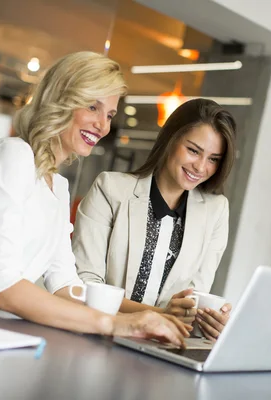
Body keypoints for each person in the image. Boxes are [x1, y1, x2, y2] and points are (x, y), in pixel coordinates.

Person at [0, 51, 187, 346]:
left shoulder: (58, 188)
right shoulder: (12, 155)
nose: (103, 126)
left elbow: (66, 285)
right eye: (93, 107)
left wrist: (157, 314)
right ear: (62, 100)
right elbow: (4, 289)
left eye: (110, 115)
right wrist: (117, 324)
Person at [72, 98, 237, 341]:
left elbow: (194, 298)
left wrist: (210, 322)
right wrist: (159, 315)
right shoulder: (111, 189)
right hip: (97, 335)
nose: (201, 167)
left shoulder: (216, 211)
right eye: (193, 150)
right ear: (170, 139)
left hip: (160, 350)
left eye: (213, 159)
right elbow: (86, 286)